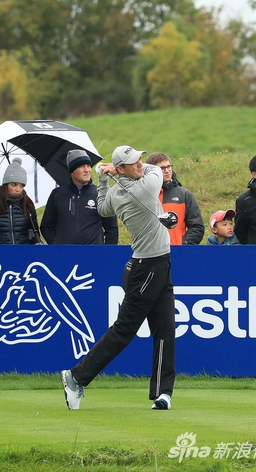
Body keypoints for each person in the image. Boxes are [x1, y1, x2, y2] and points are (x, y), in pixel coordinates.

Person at [61, 145, 175, 411]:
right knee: (124, 330)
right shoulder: (144, 186)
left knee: (165, 328)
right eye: (133, 162)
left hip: (156, 264)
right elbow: (156, 168)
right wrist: (121, 171)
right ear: (121, 168)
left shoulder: (114, 192)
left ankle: (162, 392)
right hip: (147, 269)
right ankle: (76, 376)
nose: (139, 163)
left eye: (139, 159)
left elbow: (102, 208)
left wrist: (104, 177)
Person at [40, 149, 118, 245]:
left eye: (88, 166)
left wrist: (106, 252)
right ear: (72, 170)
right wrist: (56, 244)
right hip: (65, 255)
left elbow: (112, 228)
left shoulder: (100, 194)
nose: (87, 170)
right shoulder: (58, 194)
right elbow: (46, 226)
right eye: (82, 166)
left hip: (93, 255)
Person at [145, 152, 204, 245]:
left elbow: (197, 227)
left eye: (168, 166)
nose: (167, 170)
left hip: (177, 253)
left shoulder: (184, 195)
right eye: (162, 168)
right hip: (149, 252)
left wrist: (183, 244)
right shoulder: (144, 194)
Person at [0, 158, 40, 245]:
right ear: (6, 184)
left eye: (21, 186)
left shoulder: (27, 204)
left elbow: (33, 231)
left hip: (24, 253)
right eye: (14, 185)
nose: (18, 189)